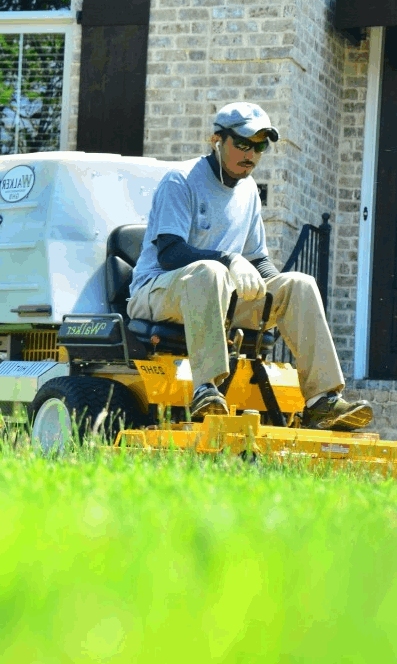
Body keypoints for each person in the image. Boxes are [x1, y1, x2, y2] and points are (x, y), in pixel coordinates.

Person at [127, 101, 373, 431]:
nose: (251, 154)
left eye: (260, 146)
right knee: (211, 271)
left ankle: (322, 401)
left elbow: (258, 260)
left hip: (218, 295)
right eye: (243, 143)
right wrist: (230, 259)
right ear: (216, 140)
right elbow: (170, 253)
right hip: (159, 292)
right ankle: (206, 390)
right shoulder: (181, 180)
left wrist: (275, 294)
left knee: (298, 284)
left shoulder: (249, 192)